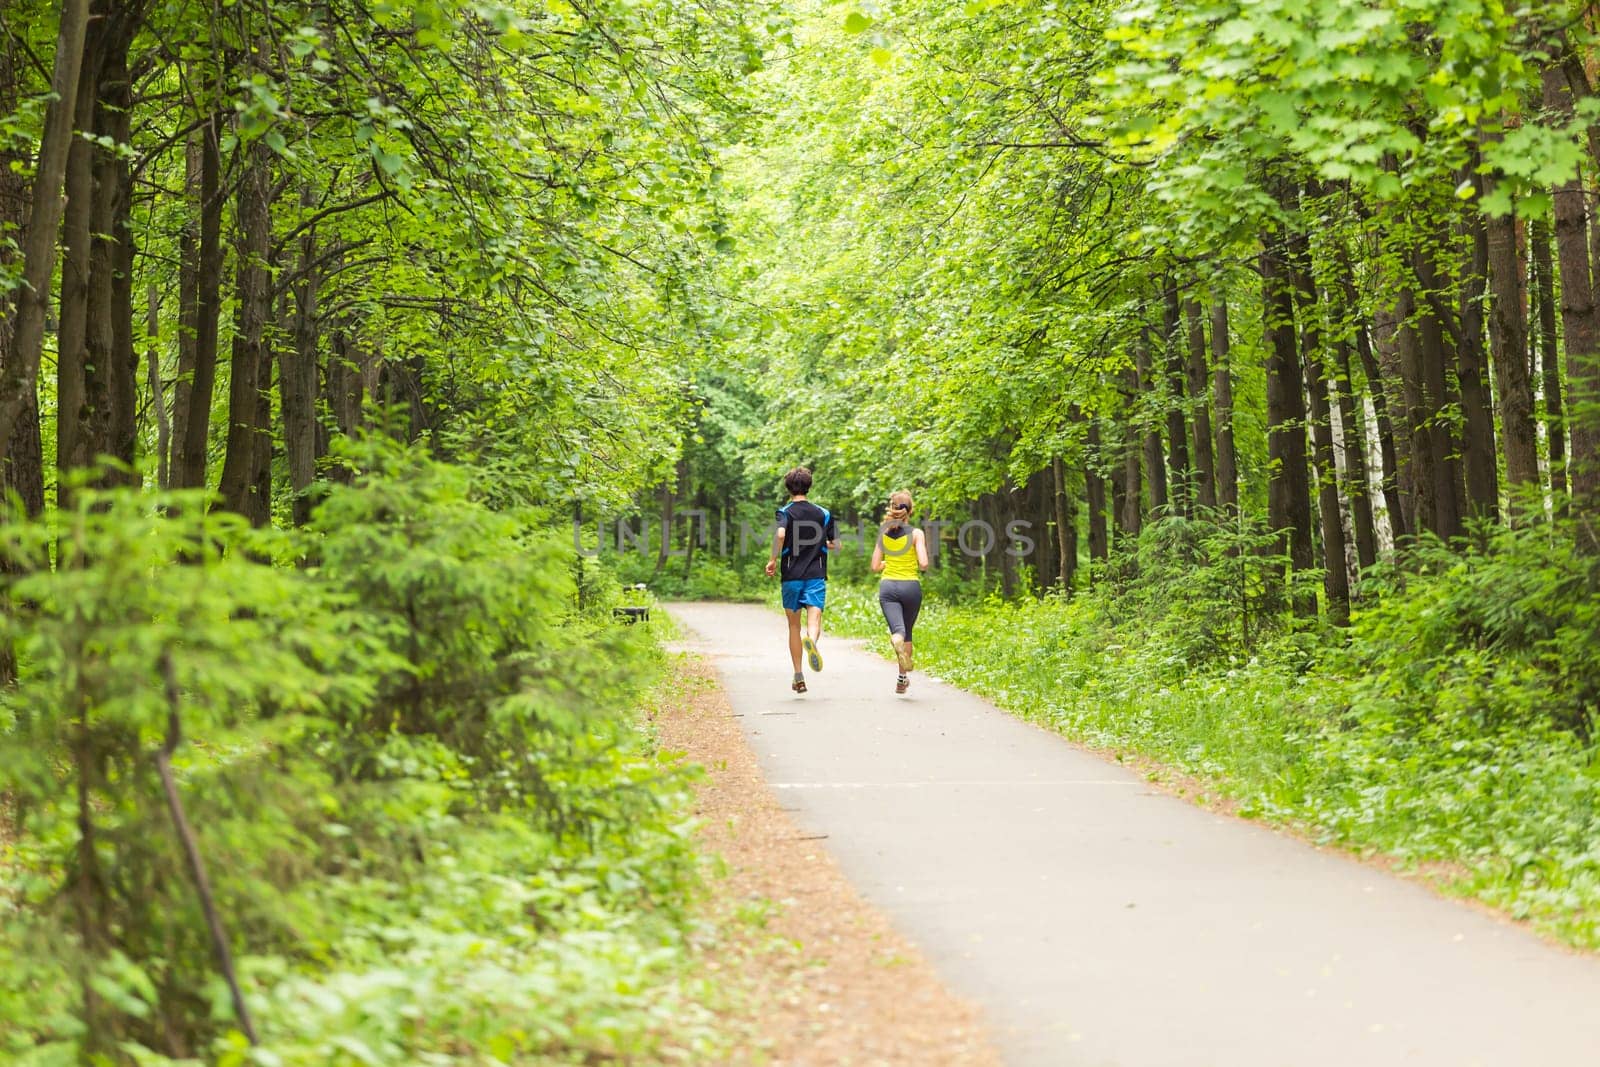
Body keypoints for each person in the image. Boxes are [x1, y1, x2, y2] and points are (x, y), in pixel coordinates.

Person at [765, 466, 839, 693]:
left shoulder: (785, 512)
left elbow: (780, 534)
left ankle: (798, 676)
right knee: (814, 619)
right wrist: (819, 543)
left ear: (788, 488)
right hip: (816, 574)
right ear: (809, 486)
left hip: (791, 575)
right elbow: (835, 544)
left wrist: (773, 560)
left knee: (793, 626)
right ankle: (813, 642)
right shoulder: (823, 513)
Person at [869, 490, 929, 693]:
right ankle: (902, 678)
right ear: (910, 510)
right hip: (910, 586)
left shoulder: (883, 532)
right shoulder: (916, 534)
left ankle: (896, 638)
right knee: (908, 633)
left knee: (898, 631)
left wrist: (889, 562)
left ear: (892, 509)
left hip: (888, 587)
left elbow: (875, 566)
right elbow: (923, 564)